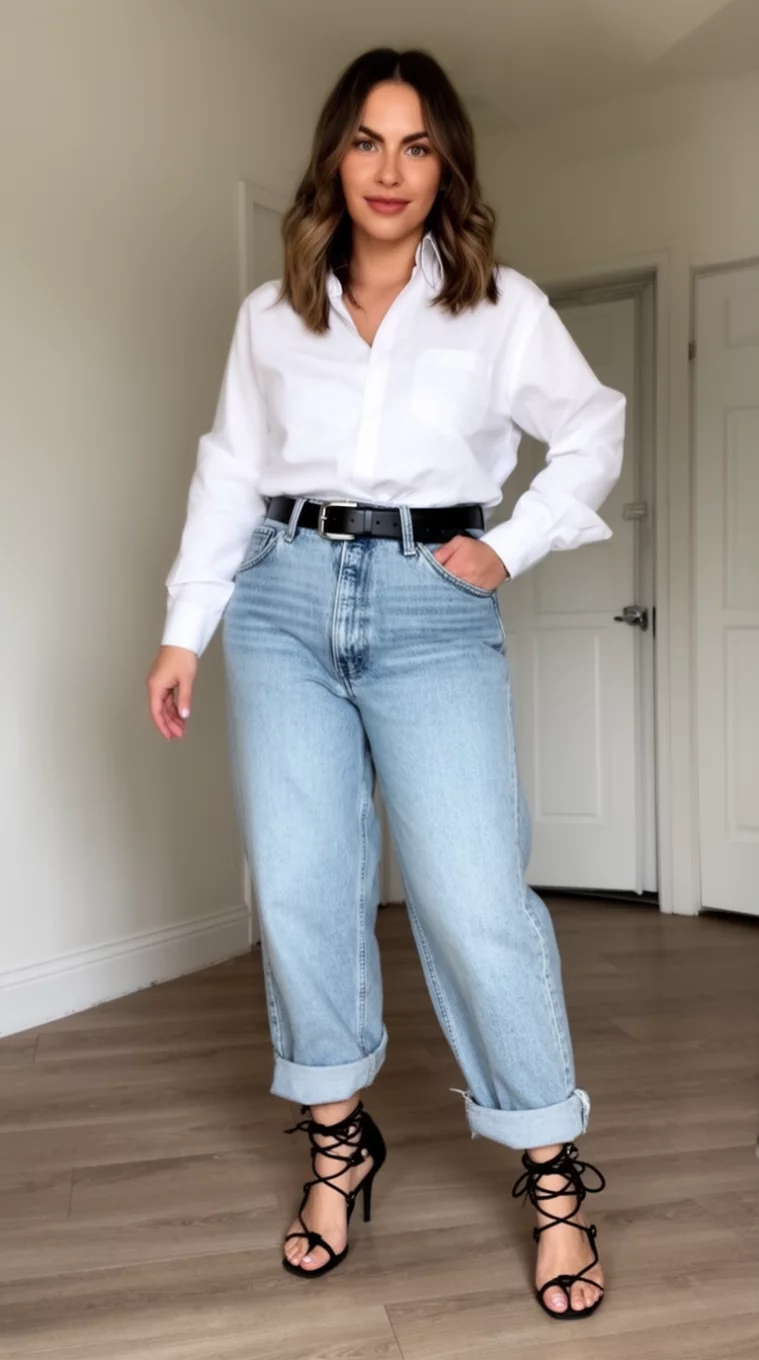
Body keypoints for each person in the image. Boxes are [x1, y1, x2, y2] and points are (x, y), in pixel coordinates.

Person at [146, 47, 624, 1321]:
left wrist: (510, 544)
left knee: (473, 899)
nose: (391, 169)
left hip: (430, 604)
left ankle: (553, 1171)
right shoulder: (272, 316)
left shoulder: (498, 306)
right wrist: (187, 627)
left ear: (446, 164)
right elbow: (228, 470)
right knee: (304, 888)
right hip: (283, 600)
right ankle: (339, 1153)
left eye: (417, 145)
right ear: (334, 158)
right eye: (368, 141)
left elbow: (593, 427)